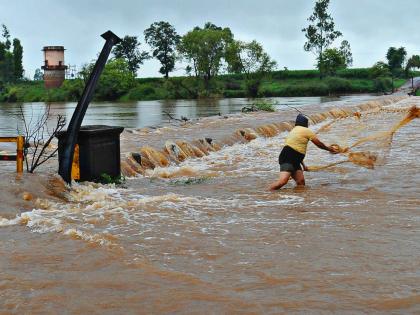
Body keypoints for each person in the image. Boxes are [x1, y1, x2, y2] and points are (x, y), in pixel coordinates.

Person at [269, 113, 338, 191]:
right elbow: (319, 144)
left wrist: (304, 165)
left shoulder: (294, 130)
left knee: (301, 183)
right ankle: (267, 193)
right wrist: (329, 149)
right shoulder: (306, 131)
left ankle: (297, 200)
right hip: (288, 158)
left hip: (294, 159)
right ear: (306, 124)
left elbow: (297, 150)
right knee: (283, 181)